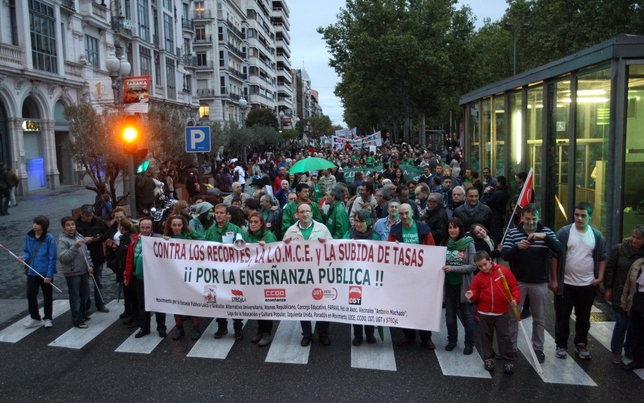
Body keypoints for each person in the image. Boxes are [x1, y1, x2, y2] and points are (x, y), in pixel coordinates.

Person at [502, 203, 562, 364]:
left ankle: (538, 348)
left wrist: (545, 237)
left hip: (539, 282)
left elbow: (560, 250)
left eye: (533, 219)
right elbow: (505, 255)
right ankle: (511, 348)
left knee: (539, 317)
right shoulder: (514, 233)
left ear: (538, 217)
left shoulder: (546, 231)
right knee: (513, 317)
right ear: (522, 217)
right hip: (518, 282)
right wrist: (517, 247)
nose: (530, 223)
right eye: (527, 219)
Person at [551, 202, 607, 360]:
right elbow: (554, 255)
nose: (579, 218)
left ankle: (581, 343)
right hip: (566, 284)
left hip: (587, 285)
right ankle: (561, 344)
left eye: (583, 216)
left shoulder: (596, 235)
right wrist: (554, 279)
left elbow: (602, 257)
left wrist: (600, 278)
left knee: (583, 317)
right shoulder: (564, 232)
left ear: (590, 216)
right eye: (577, 215)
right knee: (562, 316)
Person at [283, 202, 333, 346]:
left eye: (307, 211)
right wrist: (285, 244)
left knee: (322, 305)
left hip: (319, 274)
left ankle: (323, 334)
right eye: (302, 212)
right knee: (303, 305)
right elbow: (283, 254)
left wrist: (327, 243)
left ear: (312, 213)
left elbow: (333, 249)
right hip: (300, 276)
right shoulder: (291, 231)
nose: (305, 214)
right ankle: (307, 334)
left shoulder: (322, 228)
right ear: (297, 214)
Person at [388, 203, 436, 349]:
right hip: (403, 278)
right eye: (401, 214)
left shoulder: (423, 229)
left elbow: (432, 251)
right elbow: (389, 251)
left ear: (412, 213)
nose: (404, 217)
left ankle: (426, 337)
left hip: (421, 277)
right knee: (406, 306)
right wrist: (394, 247)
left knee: (423, 307)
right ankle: (408, 335)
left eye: (406, 213)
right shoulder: (395, 230)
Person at [466, 251, 520, 374]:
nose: (484, 268)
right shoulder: (478, 277)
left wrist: (515, 299)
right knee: (485, 336)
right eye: (480, 266)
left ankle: (508, 359)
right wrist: (471, 295)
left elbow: (513, 286)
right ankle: (488, 358)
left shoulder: (503, 271)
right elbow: (474, 290)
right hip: (484, 312)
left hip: (502, 312)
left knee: (504, 337)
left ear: (490, 260)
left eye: (485, 264)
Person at [204, 204, 245, 339]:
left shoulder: (235, 229)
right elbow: (204, 248)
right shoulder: (210, 230)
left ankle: (238, 328)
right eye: (216, 213)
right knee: (218, 299)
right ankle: (222, 327)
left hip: (232, 272)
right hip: (216, 272)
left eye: (221, 213)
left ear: (227, 215)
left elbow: (243, 247)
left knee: (234, 300)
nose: (218, 215)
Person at [604, 224, 644, 363]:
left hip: (636, 295)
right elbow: (610, 269)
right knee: (622, 323)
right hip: (619, 291)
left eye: (638, 238)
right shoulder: (620, 249)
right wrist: (607, 288)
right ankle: (616, 350)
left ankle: (630, 348)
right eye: (633, 236)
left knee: (634, 323)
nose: (634, 240)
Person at [124, 217, 167, 338]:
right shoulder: (134, 239)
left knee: (159, 303)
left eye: (147, 227)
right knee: (142, 304)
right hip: (140, 278)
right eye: (142, 227)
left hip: (155, 278)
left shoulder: (158, 239)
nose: (145, 230)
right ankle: (144, 327)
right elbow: (129, 258)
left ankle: (161, 327)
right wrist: (127, 275)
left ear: (152, 228)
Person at [343, 209, 380, 346]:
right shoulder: (348, 234)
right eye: (356, 221)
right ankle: (357, 335)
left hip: (369, 279)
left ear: (368, 222)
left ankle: (370, 334)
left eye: (361, 221)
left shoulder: (375, 237)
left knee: (369, 307)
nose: (358, 224)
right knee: (356, 308)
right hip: (354, 279)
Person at [163, 215, 202, 340]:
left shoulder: (190, 234)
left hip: (190, 275)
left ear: (183, 225)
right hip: (175, 276)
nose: (177, 227)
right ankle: (179, 329)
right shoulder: (167, 238)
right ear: (170, 226)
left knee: (192, 302)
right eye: (174, 225)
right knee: (177, 303)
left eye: (179, 225)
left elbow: (203, 240)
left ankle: (196, 328)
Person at [441, 217, 476, 355]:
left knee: (467, 315)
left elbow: (473, 266)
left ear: (460, 229)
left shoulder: (468, 243)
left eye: (455, 227)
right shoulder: (444, 243)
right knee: (449, 315)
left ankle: (469, 343)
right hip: (448, 285)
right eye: (450, 227)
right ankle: (452, 341)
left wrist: (453, 268)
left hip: (464, 285)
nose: (452, 230)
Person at [243, 212, 277, 347]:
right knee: (256, 304)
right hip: (252, 277)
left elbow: (276, 253)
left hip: (265, 277)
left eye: (256, 222)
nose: (252, 224)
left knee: (265, 305)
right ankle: (260, 329)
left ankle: (267, 332)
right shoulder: (246, 235)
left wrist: (266, 247)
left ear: (261, 223)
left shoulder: (268, 236)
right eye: (251, 222)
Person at [18, 215, 57, 328]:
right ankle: (35, 317)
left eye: (37, 223)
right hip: (32, 271)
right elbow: (27, 251)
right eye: (34, 223)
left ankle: (48, 317)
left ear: (43, 226)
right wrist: (24, 257)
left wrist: (49, 275)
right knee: (30, 294)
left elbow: (52, 257)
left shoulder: (49, 238)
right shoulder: (29, 236)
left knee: (47, 295)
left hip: (45, 272)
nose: (34, 225)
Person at [57, 216, 94, 329]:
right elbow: (63, 258)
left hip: (83, 270)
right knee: (75, 296)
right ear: (64, 227)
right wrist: (74, 247)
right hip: (72, 272)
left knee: (85, 294)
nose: (71, 227)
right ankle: (76, 319)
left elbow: (86, 253)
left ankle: (83, 314)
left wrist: (90, 265)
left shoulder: (79, 236)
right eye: (68, 225)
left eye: (72, 224)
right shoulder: (62, 240)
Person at [75, 204, 109, 314]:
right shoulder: (76, 224)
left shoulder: (99, 222)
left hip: (97, 255)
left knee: (98, 281)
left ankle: (100, 303)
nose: (89, 218)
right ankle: (86, 305)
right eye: (87, 216)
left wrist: (99, 238)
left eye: (91, 215)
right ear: (82, 215)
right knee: (84, 284)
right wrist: (84, 240)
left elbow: (107, 234)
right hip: (82, 257)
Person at [620, 255, 644, 370]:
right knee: (636, 332)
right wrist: (624, 302)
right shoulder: (638, 263)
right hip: (638, 299)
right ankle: (637, 360)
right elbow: (627, 285)